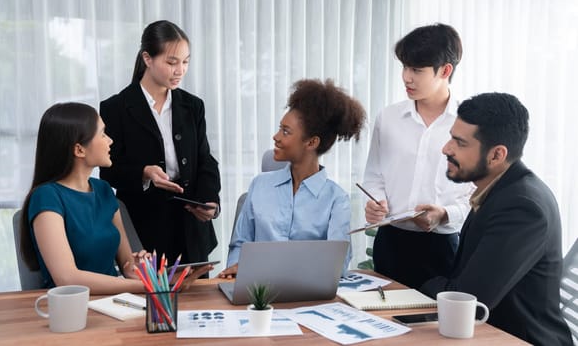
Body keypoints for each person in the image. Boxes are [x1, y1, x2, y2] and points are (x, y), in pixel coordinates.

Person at [420, 92, 572, 345]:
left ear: (496, 155)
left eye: (460, 142)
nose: (446, 149)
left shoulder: (522, 207)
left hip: (519, 339)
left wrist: (426, 284)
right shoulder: (499, 190)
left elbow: (468, 301)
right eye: (451, 138)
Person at [19, 103, 212, 294]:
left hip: (113, 304)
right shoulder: (46, 197)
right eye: (103, 134)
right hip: (70, 309)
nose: (110, 141)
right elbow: (67, 278)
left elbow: (128, 265)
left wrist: (152, 273)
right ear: (79, 150)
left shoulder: (104, 191)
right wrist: (153, 286)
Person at [100, 20, 221, 266]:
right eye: (171, 62)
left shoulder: (192, 105)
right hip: (144, 229)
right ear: (147, 58)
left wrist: (210, 201)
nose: (180, 70)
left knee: (196, 303)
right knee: (150, 302)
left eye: (185, 61)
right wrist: (144, 173)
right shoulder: (115, 108)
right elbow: (108, 171)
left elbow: (205, 160)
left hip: (191, 230)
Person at [362, 23, 474, 288]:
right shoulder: (388, 117)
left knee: (432, 325)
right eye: (404, 67)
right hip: (390, 242)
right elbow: (374, 175)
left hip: (441, 247)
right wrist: (376, 202)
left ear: (445, 70)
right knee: (383, 322)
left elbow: (475, 195)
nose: (406, 77)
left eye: (416, 70)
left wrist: (445, 214)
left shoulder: (468, 124)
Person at [219, 79, 366, 278]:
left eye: (286, 132)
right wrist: (235, 271)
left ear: (312, 142)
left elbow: (336, 266)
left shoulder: (336, 199)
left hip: (308, 297)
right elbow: (239, 245)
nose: (276, 137)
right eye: (280, 128)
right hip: (257, 293)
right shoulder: (260, 185)